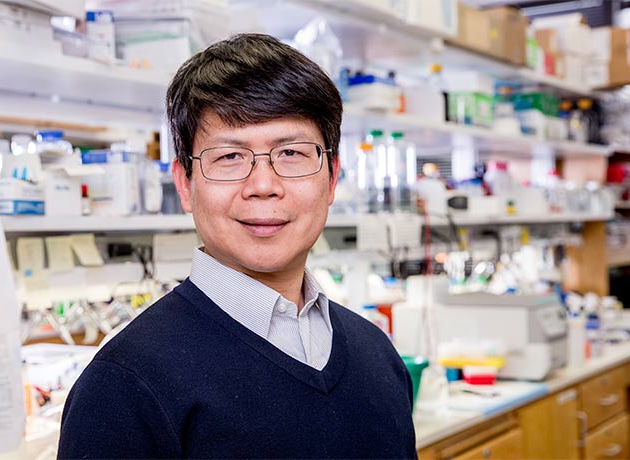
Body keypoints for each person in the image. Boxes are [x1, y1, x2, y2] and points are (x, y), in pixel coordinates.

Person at [58, 33, 416, 459]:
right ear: (185, 185)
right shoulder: (124, 385)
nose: (263, 186)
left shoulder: (375, 352)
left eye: (292, 153)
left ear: (332, 177)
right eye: (229, 157)